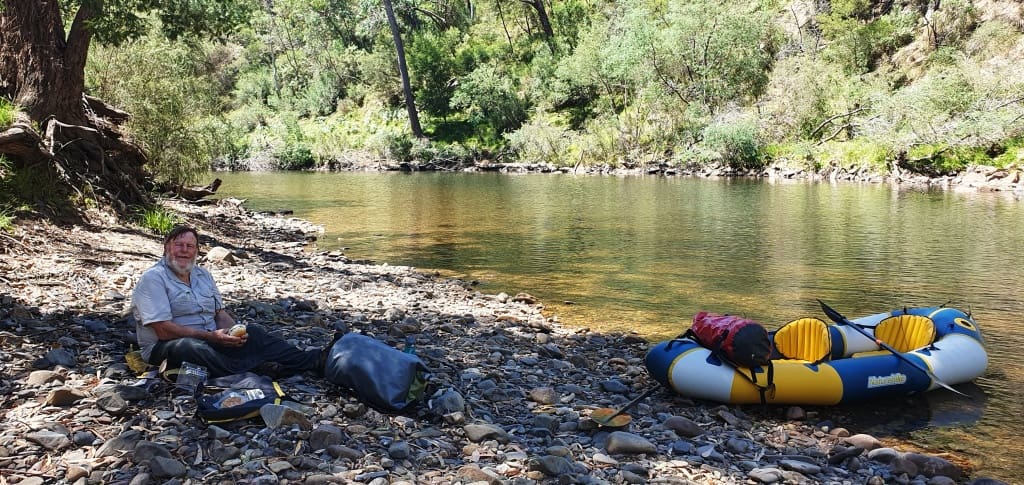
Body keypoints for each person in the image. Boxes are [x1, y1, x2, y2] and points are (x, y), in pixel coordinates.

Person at [131, 224, 325, 378]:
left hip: (210, 340)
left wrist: (234, 335)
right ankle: (254, 370)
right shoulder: (153, 279)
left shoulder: (203, 275)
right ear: (166, 247)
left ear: (197, 250)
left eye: (190, 246)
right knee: (188, 347)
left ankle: (313, 360)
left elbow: (220, 315)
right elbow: (163, 330)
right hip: (166, 347)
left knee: (254, 333)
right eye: (178, 245)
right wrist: (210, 337)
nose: (184, 250)